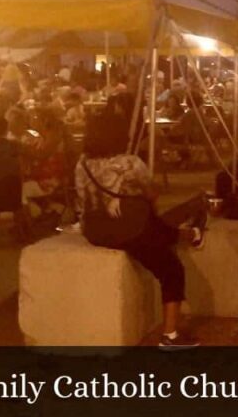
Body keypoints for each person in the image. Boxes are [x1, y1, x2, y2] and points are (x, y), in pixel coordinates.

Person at [76, 114, 205, 349]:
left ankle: (184, 233)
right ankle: (170, 335)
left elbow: (82, 199)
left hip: (95, 231)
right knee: (172, 269)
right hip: (130, 231)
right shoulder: (129, 162)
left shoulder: (82, 164)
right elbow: (151, 193)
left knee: (158, 230)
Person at [0, 115, 31, 244]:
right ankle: (21, 234)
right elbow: (20, 164)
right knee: (17, 208)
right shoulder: (14, 144)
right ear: (6, 129)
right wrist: (21, 179)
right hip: (13, 178)